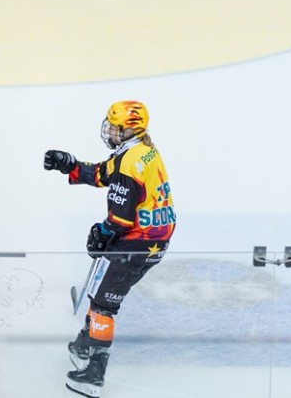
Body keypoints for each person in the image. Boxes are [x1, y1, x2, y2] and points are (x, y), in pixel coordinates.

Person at [44, 101, 176, 398]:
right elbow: (105, 173)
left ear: (129, 129)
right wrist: (72, 165)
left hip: (138, 240)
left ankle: (93, 374)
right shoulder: (141, 150)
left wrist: (102, 233)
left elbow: (120, 218)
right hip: (154, 237)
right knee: (103, 288)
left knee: (104, 303)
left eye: (114, 126)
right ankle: (84, 342)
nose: (110, 130)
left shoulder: (130, 163)